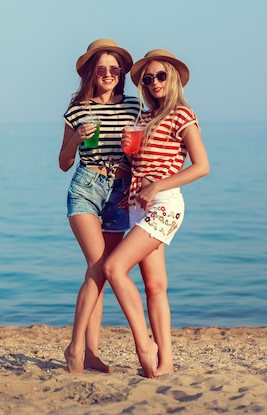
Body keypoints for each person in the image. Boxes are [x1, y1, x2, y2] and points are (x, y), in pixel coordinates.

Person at [103, 49, 210, 378]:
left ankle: (144, 345)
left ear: (173, 78)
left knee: (113, 267)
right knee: (155, 286)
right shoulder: (143, 119)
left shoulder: (182, 114)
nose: (154, 82)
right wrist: (125, 165)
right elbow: (135, 167)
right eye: (148, 78)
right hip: (138, 206)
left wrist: (154, 186)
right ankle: (166, 363)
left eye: (160, 75)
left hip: (164, 204)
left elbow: (202, 167)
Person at [59, 39, 141, 373]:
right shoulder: (77, 109)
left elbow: (141, 157)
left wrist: (131, 156)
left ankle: (91, 352)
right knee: (97, 265)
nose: (108, 74)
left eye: (114, 69)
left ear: (120, 73)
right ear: (92, 72)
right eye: (101, 68)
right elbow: (63, 162)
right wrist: (77, 138)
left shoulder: (134, 108)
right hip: (85, 187)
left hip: (120, 191)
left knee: (102, 274)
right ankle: (76, 348)